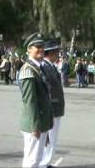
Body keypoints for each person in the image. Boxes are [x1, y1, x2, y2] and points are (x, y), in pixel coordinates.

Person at [18, 33, 53, 168]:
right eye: (37, 47)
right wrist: (35, 125)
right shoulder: (28, 70)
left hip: (41, 121)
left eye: (42, 47)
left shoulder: (38, 68)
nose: (41, 49)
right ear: (29, 50)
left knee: (37, 159)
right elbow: (30, 101)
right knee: (31, 161)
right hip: (34, 123)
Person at [40, 40, 65, 167]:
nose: (58, 55)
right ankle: (43, 163)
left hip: (55, 108)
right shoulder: (44, 66)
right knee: (48, 138)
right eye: (56, 52)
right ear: (50, 53)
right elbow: (46, 89)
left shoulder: (51, 66)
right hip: (51, 108)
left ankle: (47, 162)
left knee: (52, 138)